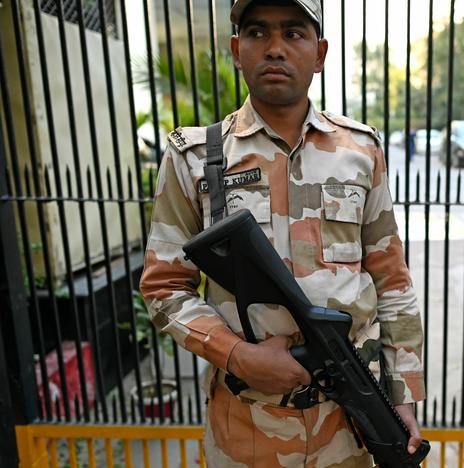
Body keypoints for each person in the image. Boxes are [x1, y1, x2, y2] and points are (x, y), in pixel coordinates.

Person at [140, 0, 425, 465]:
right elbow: (163, 286)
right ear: (236, 49)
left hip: (349, 424)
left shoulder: (361, 150)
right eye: (257, 33)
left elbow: (392, 282)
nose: (275, 49)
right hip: (246, 429)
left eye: (293, 34)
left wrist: (404, 392)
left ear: (320, 54)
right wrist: (236, 354)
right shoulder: (194, 157)